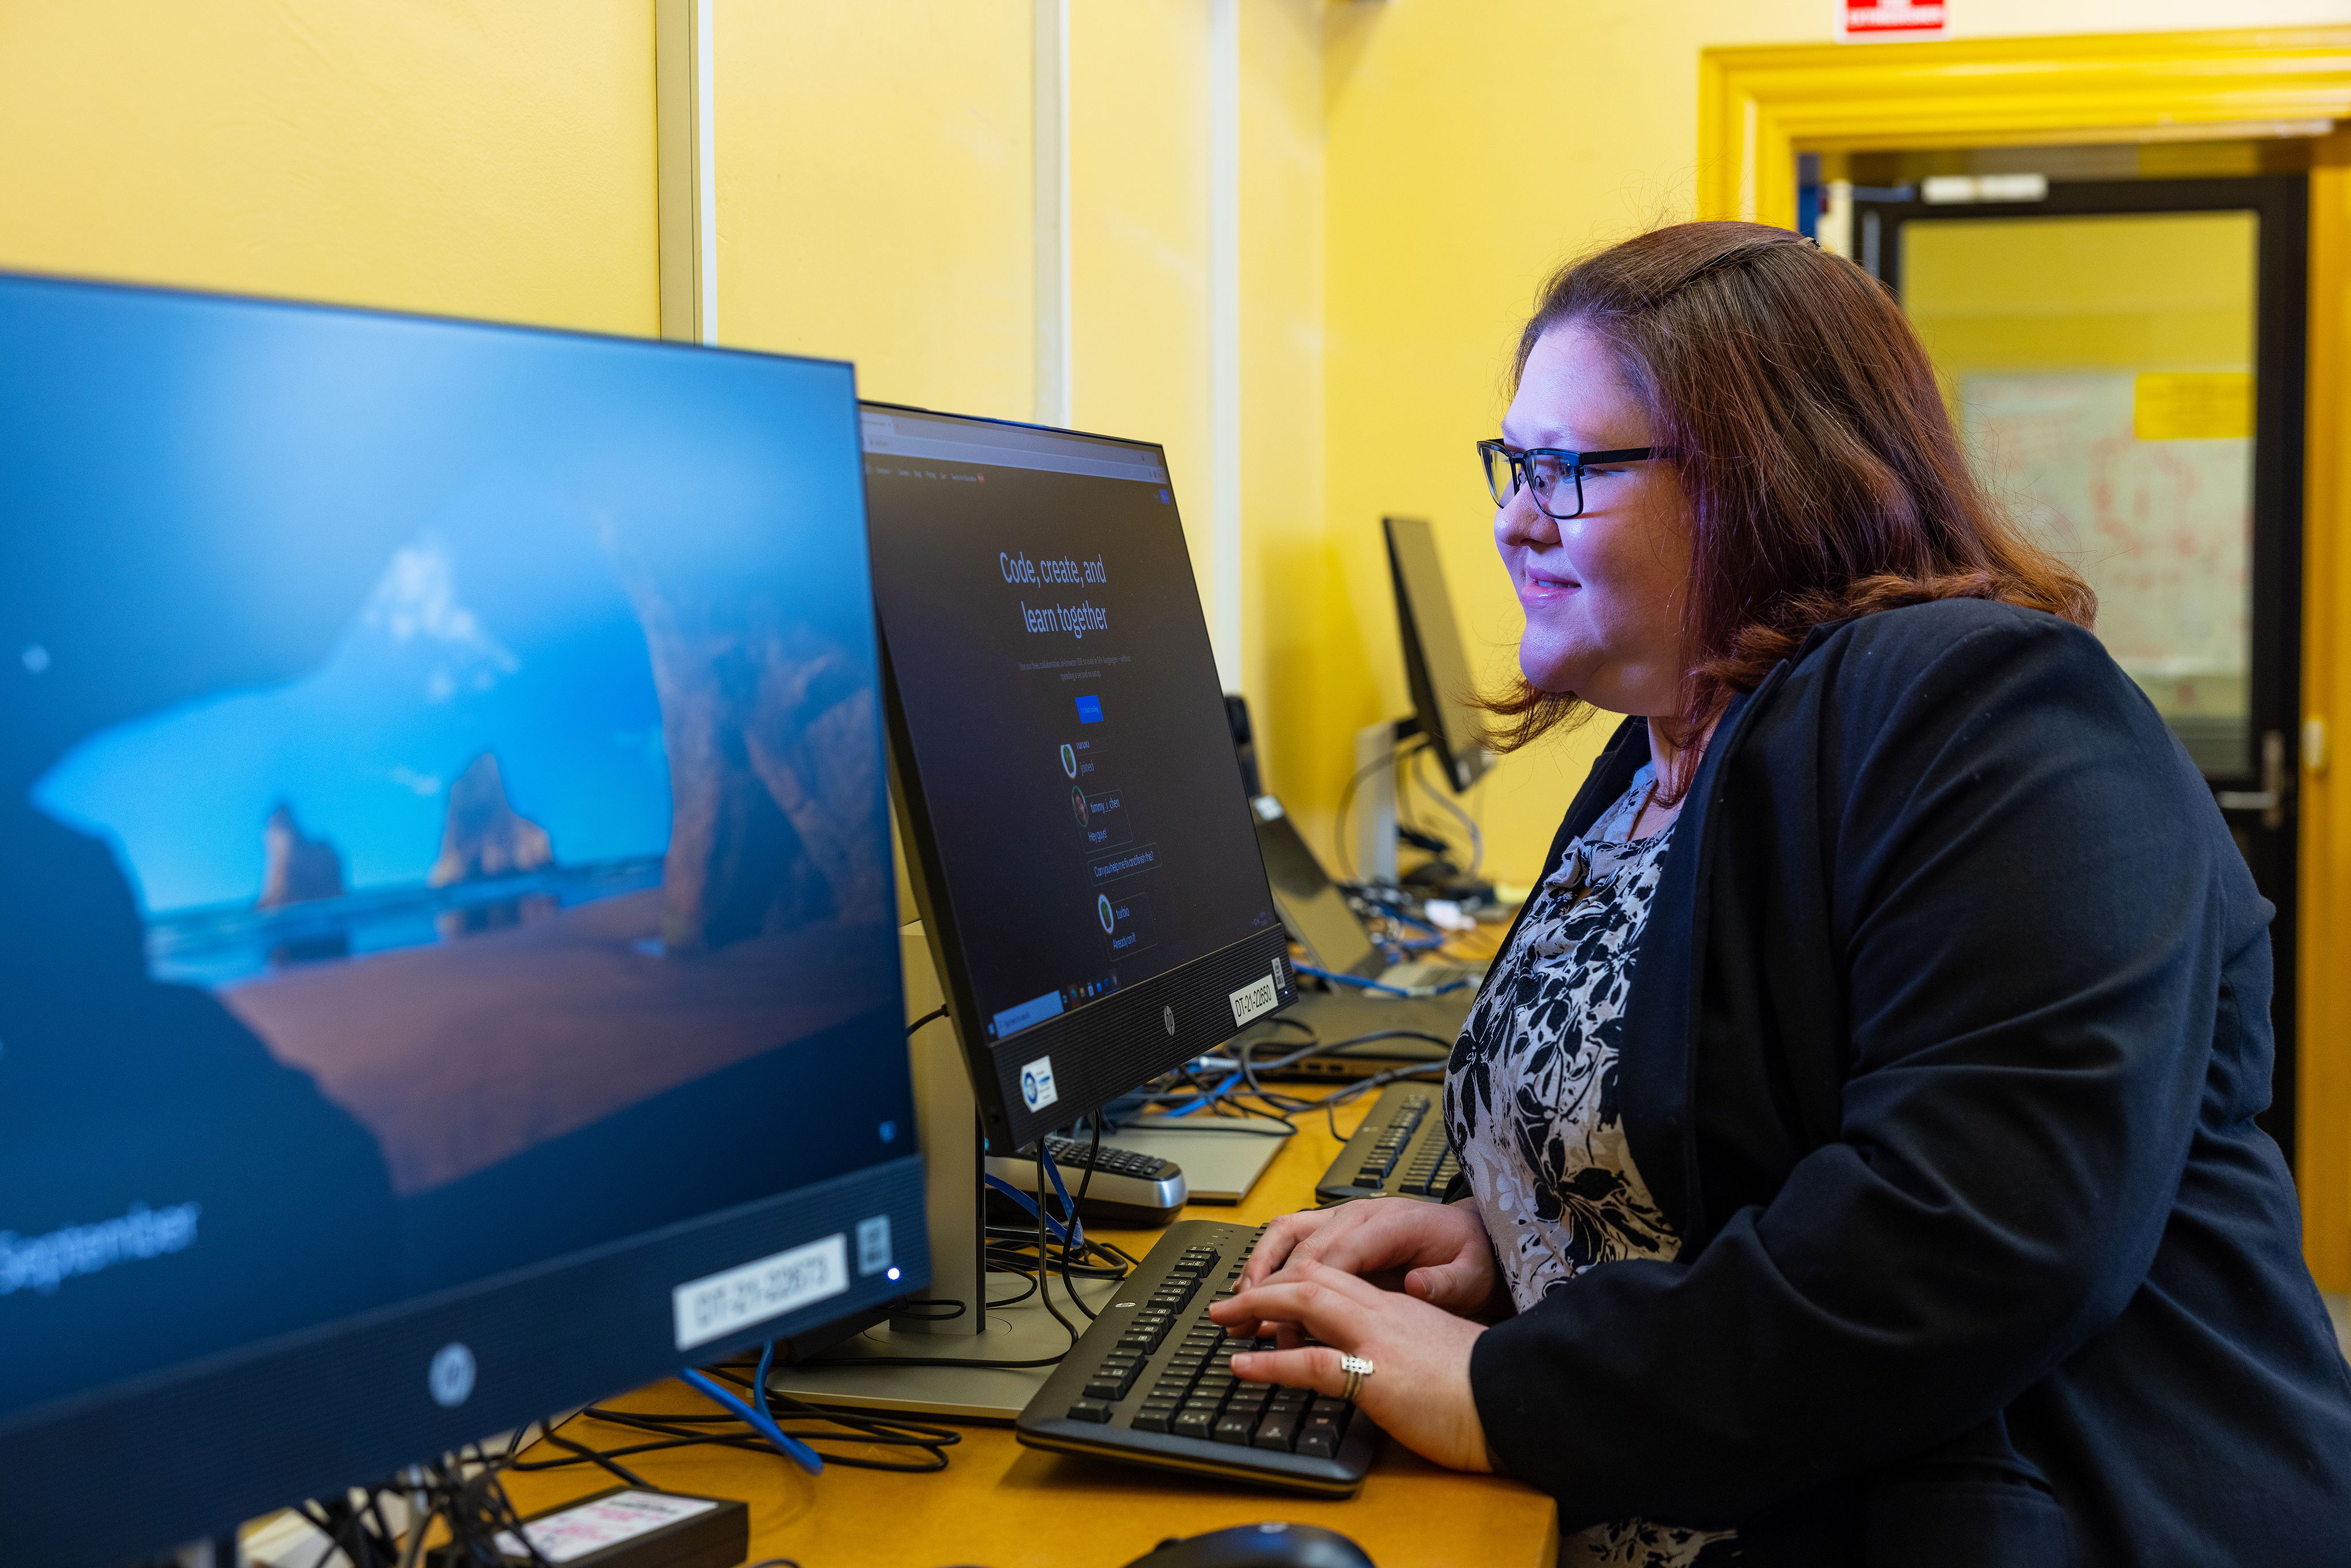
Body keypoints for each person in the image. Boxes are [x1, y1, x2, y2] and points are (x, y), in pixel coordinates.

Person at [1208, 221, 2351, 1566]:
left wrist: (1494, 1388)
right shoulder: (1663, 763)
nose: (1515, 517)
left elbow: (1962, 1239)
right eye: (1512, 464)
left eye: (1569, 470)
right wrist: (1509, 1232)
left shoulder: (1992, 710)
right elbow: (1732, 1121)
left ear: (1762, 481)